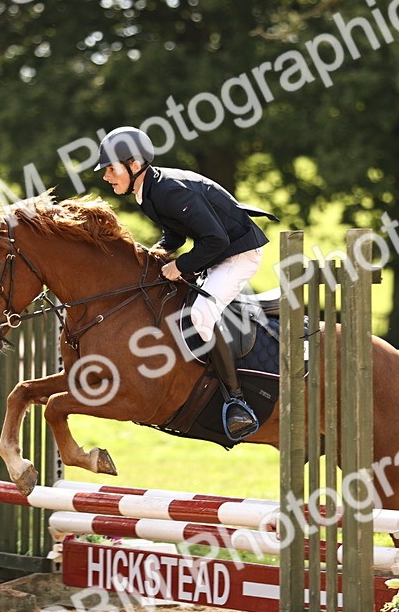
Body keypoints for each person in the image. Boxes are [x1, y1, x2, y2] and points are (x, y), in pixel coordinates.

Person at [95, 126, 274, 441]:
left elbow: (216, 240)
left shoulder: (168, 191)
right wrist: (160, 252)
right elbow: (177, 232)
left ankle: (237, 401)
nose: (107, 176)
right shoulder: (148, 191)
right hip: (218, 251)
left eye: (111, 168)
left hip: (237, 255)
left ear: (134, 164)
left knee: (201, 314)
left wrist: (181, 265)